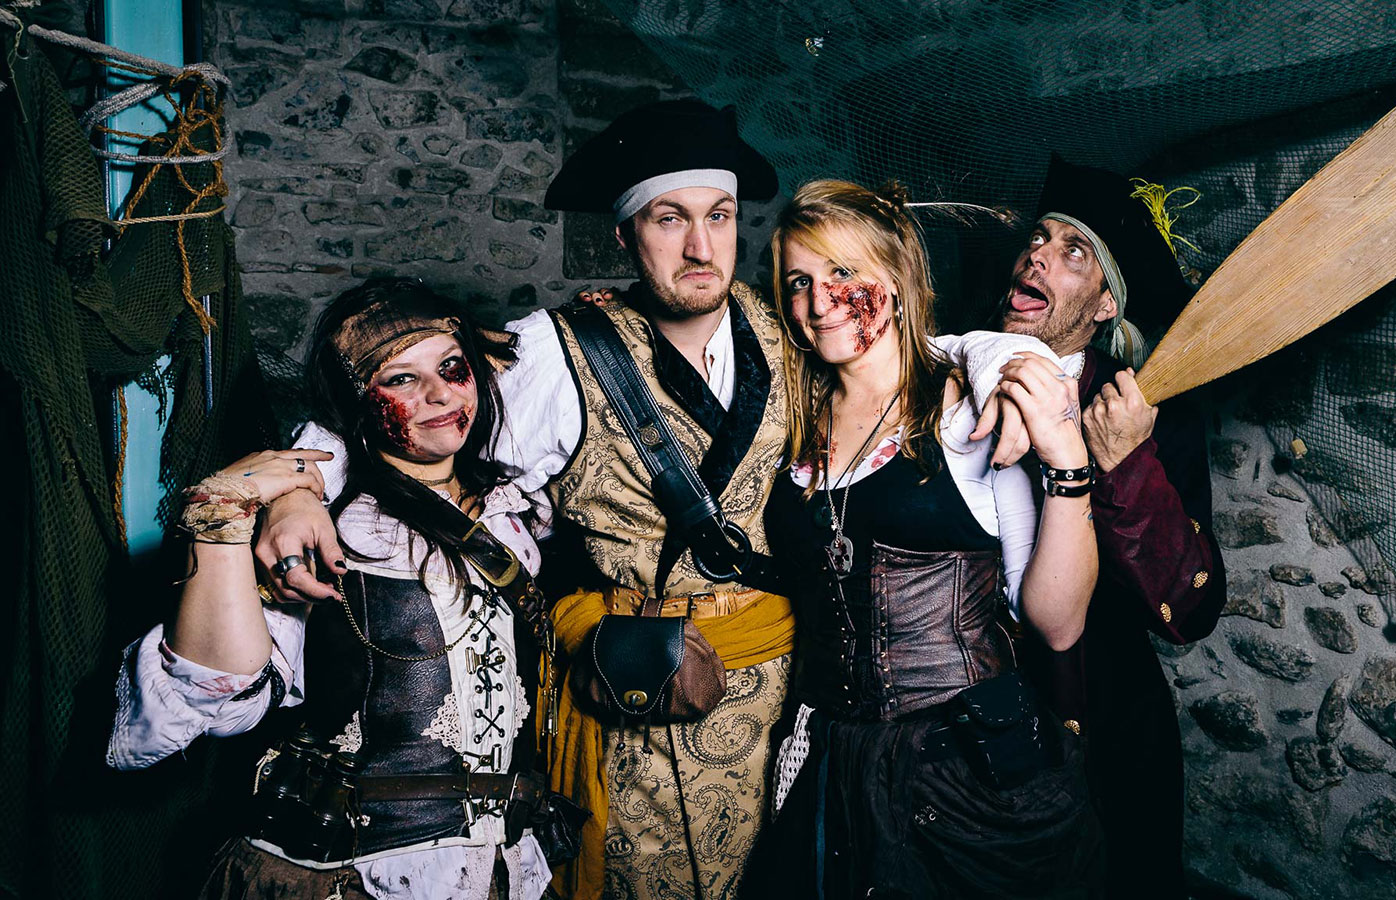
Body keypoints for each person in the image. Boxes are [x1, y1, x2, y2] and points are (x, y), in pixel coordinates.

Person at [255, 100, 1047, 900]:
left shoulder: (792, 325)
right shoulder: (555, 353)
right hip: (645, 700)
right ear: (626, 236)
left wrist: (1005, 356)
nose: (701, 247)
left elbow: (909, 347)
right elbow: (409, 406)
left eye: (719, 216)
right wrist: (300, 484)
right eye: (670, 219)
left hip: (789, 707)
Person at [107, 278, 565, 899]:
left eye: (451, 368)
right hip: (360, 873)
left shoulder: (515, 511)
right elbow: (211, 690)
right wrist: (224, 516)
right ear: (358, 401)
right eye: (400, 379)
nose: (438, 394)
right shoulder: (331, 531)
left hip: (504, 866)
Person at [751, 180, 1105, 898]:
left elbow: (1057, 621)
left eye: (844, 272)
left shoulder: (968, 410)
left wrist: (1069, 462)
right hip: (830, 759)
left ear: (895, 278)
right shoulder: (792, 413)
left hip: (965, 768)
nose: (820, 302)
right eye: (799, 282)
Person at [992, 155, 1227, 898]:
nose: (1037, 254)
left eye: (1074, 251)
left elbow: (1194, 610)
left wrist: (1124, 463)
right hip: (971, 719)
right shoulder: (947, 385)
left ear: (1103, 306)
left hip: (1109, 727)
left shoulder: (1152, 415)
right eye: (1038, 238)